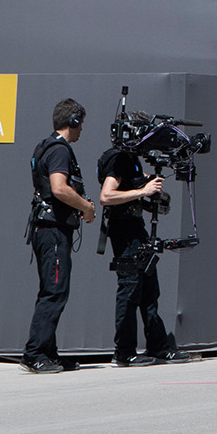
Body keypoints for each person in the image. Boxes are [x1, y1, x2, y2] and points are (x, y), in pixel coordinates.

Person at [97, 114, 185, 366]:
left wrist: (149, 185)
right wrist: (143, 191)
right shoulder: (117, 158)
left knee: (149, 287)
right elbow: (106, 195)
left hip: (136, 228)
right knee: (130, 289)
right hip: (123, 231)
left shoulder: (131, 160)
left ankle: (158, 346)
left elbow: (135, 182)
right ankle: (124, 352)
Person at [24, 100, 94, 373]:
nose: (81, 131)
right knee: (54, 292)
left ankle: (49, 353)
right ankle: (35, 354)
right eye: (81, 124)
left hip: (47, 230)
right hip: (53, 231)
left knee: (52, 291)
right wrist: (86, 207)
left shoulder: (45, 146)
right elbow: (59, 188)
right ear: (73, 121)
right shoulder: (60, 151)